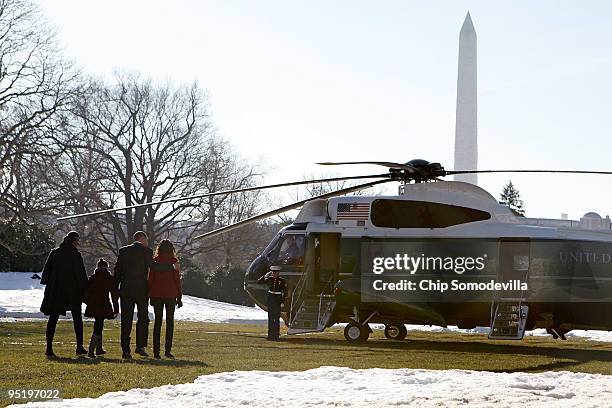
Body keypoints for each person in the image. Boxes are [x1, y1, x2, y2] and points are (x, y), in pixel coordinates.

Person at [114, 231, 175, 359]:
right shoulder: (146, 251)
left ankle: (125, 350)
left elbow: (117, 272)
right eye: (146, 239)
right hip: (141, 291)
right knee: (143, 319)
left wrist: (116, 290)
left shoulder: (123, 251)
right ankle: (140, 346)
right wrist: (172, 266)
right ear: (142, 238)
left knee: (126, 321)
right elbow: (154, 267)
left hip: (126, 290)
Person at [40, 231, 88, 357]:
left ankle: (49, 348)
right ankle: (79, 347)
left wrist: (51, 284)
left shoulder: (55, 252)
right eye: (78, 241)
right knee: (77, 319)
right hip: (73, 292)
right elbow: (81, 275)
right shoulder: (75, 254)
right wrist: (85, 290)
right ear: (74, 241)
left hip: (56, 291)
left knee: (53, 319)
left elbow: (46, 274)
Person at [148, 239, 183, 359]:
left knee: (157, 322)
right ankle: (167, 350)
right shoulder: (174, 263)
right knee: (170, 322)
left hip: (157, 294)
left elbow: (151, 279)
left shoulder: (155, 262)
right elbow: (177, 281)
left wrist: (150, 295)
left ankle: (156, 352)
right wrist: (179, 296)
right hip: (171, 294)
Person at [84, 258, 119, 358]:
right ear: (107, 268)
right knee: (99, 326)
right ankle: (92, 350)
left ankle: (98, 349)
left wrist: (88, 303)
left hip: (93, 305)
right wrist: (116, 309)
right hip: (104, 305)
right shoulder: (109, 278)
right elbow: (114, 295)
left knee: (99, 323)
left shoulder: (92, 278)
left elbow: (85, 293)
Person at [257, 266, 287, 341]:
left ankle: (276, 335)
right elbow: (259, 282)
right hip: (271, 299)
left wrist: (282, 301)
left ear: (278, 273)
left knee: (276, 318)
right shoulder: (269, 279)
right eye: (273, 272)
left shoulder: (282, 280)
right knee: (270, 318)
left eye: (275, 272)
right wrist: (265, 276)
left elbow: (285, 292)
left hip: (278, 299)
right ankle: (270, 335)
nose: (274, 274)